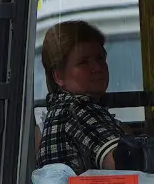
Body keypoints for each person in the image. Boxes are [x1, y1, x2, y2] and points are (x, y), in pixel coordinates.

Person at [34, 20, 124, 174]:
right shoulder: (79, 110)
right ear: (58, 76)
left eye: (100, 58)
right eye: (83, 62)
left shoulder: (59, 110)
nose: (97, 68)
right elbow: (120, 162)